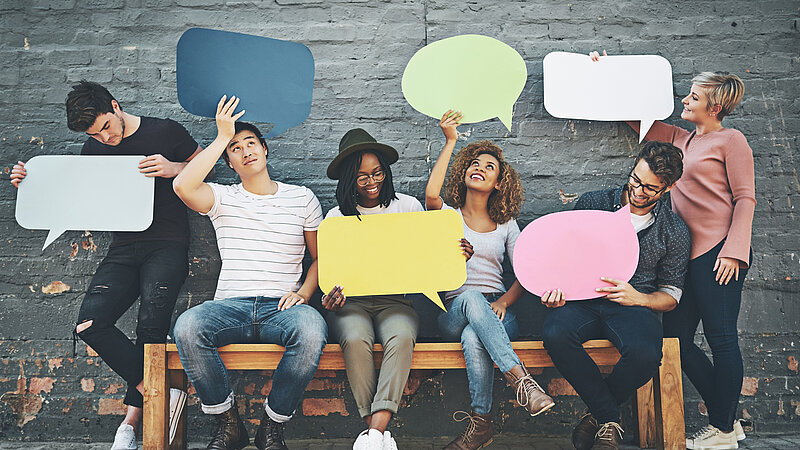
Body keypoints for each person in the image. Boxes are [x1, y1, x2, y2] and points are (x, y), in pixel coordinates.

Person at [10, 81, 202, 449]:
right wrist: (29, 184)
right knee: (90, 324)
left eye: (106, 127)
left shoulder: (165, 130)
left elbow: (203, 166)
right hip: (124, 247)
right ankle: (162, 391)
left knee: (151, 329)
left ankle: (129, 426)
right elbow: (76, 201)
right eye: (95, 134)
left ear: (115, 106)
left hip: (168, 243)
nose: (105, 138)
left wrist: (174, 166)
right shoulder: (92, 148)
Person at [591, 49, 755, 449]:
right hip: (685, 257)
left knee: (721, 340)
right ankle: (727, 422)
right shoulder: (681, 139)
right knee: (677, 343)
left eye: (693, 97)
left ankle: (720, 429)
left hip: (719, 256)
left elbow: (746, 198)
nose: (685, 100)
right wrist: (605, 71)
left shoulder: (731, 141)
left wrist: (736, 250)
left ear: (714, 106)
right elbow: (634, 118)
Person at [171, 96, 326, 450]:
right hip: (230, 307)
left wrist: (304, 293)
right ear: (229, 161)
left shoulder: (302, 198)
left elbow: (321, 259)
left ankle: (272, 426)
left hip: (282, 308)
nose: (245, 151)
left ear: (265, 149)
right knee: (188, 326)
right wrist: (221, 137)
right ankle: (228, 424)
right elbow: (182, 186)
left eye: (250, 143)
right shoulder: (223, 198)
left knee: (313, 329)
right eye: (235, 149)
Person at [541, 140, 691, 450]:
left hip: (633, 307)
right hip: (582, 300)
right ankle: (609, 417)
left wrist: (640, 298)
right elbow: (563, 258)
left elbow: (672, 295)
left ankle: (598, 417)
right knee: (555, 332)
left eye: (650, 188)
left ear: (668, 188)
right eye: (636, 179)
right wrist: (556, 291)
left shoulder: (673, 229)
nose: (639, 191)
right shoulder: (592, 203)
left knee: (647, 354)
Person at [425, 110, 554, 450]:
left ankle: (480, 424)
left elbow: (526, 273)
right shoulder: (449, 217)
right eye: (475, 164)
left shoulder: (508, 224)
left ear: (498, 183)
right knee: (469, 300)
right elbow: (430, 196)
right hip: (453, 307)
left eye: (489, 167)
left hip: (497, 310)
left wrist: (502, 302)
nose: (479, 168)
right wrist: (451, 140)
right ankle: (522, 380)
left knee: (474, 336)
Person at [321, 128, 427, 450]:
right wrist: (331, 298)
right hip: (351, 303)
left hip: (397, 301)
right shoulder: (336, 217)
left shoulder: (407, 207)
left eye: (377, 173)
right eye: (362, 177)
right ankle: (378, 435)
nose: (372, 182)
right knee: (354, 337)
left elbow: (426, 257)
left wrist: (454, 252)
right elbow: (330, 272)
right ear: (349, 180)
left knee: (401, 335)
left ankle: (374, 435)